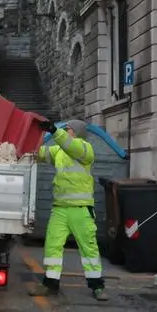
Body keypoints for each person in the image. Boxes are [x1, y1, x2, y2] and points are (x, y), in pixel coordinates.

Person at [29, 119, 108, 301]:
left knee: (89, 249)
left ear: (77, 132)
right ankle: (50, 284)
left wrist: (53, 131)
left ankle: (97, 286)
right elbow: (39, 154)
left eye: (68, 129)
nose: (66, 131)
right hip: (60, 209)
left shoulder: (85, 149)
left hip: (81, 209)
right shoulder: (60, 151)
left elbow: (70, 146)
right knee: (52, 246)